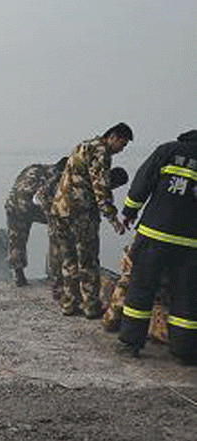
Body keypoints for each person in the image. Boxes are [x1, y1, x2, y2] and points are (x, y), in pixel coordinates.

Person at [117, 130, 197, 364]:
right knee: (187, 297)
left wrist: (129, 211)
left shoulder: (168, 150)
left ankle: (131, 344)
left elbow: (144, 180)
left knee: (141, 288)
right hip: (191, 244)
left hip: (155, 235)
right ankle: (184, 351)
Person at [48, 123, 132, 318]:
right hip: (81, 214)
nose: (122, 149)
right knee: (88, 261)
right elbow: (100, 187)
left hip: (60, 210)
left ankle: (69, 304)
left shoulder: (82, 145)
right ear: (115, 136)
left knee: (68, 259)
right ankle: (90, 307)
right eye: (123, 144)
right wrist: (113, 219)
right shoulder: (101, 152)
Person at [46, 166, 129, 295]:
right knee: (86, 262)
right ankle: (86, 300)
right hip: (82, 227)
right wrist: (116, 223)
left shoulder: (84, 176)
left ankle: (63, 291)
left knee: (66, 256)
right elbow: (104, 206)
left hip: (61, 217)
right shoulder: (102, 188)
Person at [5, 157, 68, 288]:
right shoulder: (58, 176)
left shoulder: (33, 167)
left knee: (16, 239)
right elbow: (51, 198)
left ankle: (18, 273)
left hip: (13, 205)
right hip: (31, 205)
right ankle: (56, 271)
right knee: (57, 230)